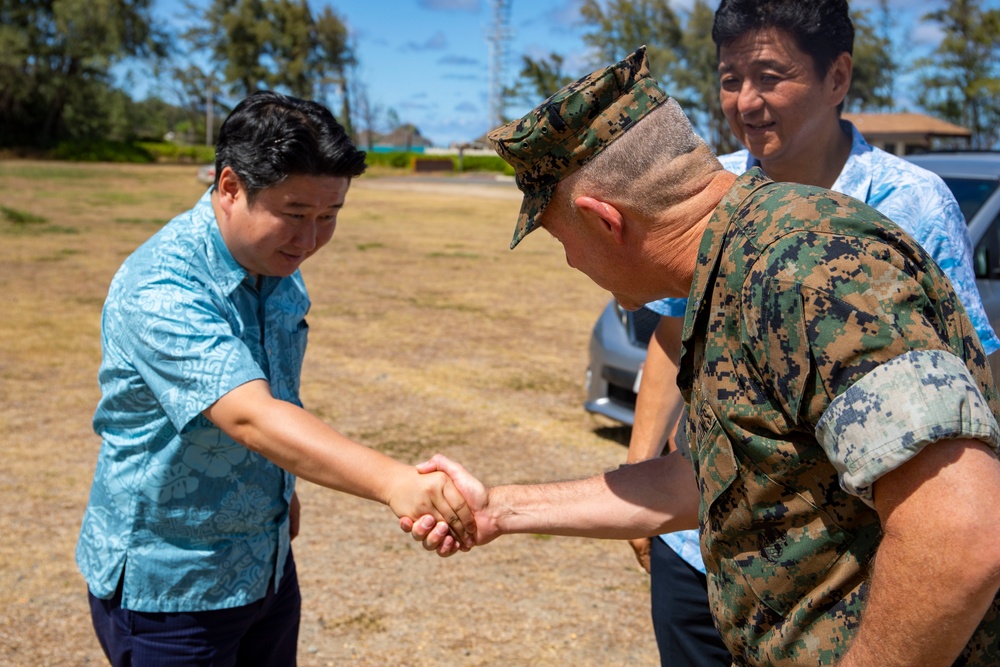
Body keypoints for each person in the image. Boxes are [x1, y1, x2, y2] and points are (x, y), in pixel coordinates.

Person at [404, 47, 1000, 666]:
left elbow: (961, 531)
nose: (570, 263)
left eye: (561, 241)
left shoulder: (805, 271)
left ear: (605, 220)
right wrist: (501, 507)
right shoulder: (731, 269)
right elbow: (712, 475)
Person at [625, 1, 1000, 664]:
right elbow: (670, 330)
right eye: (729, 77)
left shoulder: (910, 201)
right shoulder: (711, 191)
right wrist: (639, 467)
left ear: (838, 77)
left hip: (832, 567)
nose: (746, 100)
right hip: (698, 547)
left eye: (770, 75)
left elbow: (970, 361)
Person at [76, 90, 475, 666]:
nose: (310, 241)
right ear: (231, 188)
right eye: (294, 216)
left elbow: (278, 391)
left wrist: (275, 490)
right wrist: (394, 481)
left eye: (329, 217)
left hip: (261, 566)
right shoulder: (162, 287)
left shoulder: (273, 266)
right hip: (171, 592)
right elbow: (248, 413)